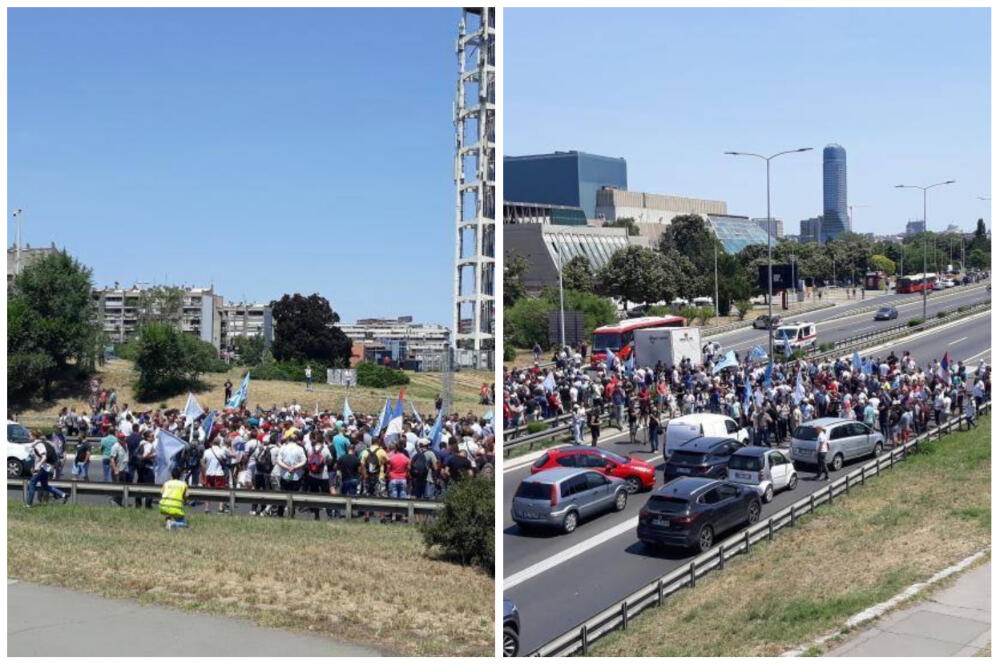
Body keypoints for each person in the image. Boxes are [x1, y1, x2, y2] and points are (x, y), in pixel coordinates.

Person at [25, 434, 68, 507]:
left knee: (32, 484)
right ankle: (63, 494)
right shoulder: (38, 444)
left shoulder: (39, 445)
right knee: (45, 486)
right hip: (46, 468)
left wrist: (37, 466)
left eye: (29, 436)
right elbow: (33, 457)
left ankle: (28, 505)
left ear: (34, 436)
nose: (28, 437)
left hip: (40, 468)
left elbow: (44, 457)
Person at [276, 434, 306, 518]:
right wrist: (294, 467)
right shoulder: (300, 449)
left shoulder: (283, 448)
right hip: (295, 474)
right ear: (296, 440)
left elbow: (278, 460)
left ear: (288, 439)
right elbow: (304, 461)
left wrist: (287, 467)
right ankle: (291, 513)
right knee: (294, 494)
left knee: (283, 493)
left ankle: (280, 513)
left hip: (285, 473)